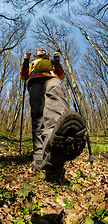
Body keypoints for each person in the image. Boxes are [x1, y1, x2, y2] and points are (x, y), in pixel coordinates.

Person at [20, 48, 86, 179]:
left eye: (43, 50)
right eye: (39, 50)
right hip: (34, 81)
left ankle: (53, 149)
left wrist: (57, 61)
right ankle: (39, 155)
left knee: (56, 106)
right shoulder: (32, 62)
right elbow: (23, 75)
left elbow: (61, 74)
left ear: (46, 54)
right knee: (37, 115)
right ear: (36, 54)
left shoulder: (51, 62)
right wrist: (25, 60)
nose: (41, 50)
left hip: (52, 78)